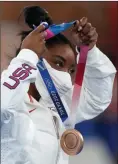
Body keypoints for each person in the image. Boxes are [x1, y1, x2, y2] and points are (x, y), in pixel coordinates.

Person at [1, 6, 116, 164]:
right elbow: (3, 104)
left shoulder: (58, 105)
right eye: (58, 63)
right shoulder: (12, 104)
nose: (65, 76)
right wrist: (27, 55)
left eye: (71, 70)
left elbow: (97, 99)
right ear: (36, 59)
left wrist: (90, 52)